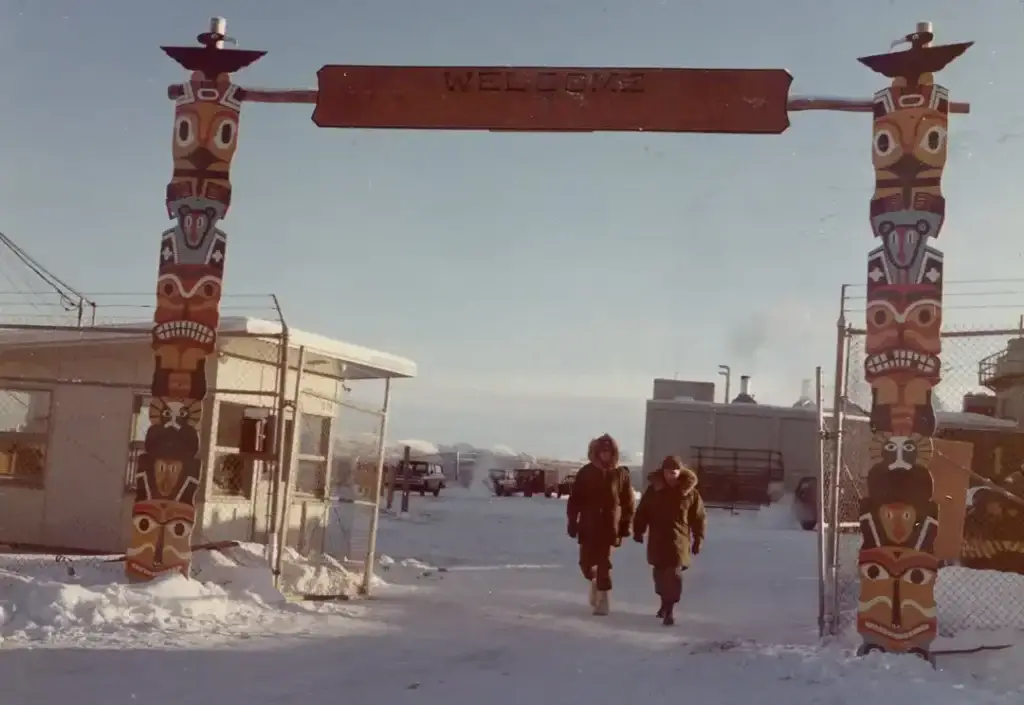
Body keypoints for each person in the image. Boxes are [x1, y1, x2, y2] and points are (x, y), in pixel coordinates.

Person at [632, 455, 707, 626]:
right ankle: (664, 603)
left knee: (673, 576)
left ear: (680, 472)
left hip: (678, 541)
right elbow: (643, 512)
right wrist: (638, 530)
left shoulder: (690, 494)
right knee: (659, 576)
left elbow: (699, 518)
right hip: (658, 540)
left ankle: (670, 610)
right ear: (663, 472)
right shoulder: (654, 490)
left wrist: (698, 539)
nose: (670, 476)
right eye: (667, 472)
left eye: (674, 472)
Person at [566, 433, 636, 616]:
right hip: (588, 526)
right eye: (602, 451)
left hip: (610, 527)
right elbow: (575, 500)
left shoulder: (621, 474)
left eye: (609, 451)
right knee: (586, 564)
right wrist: (572, 521)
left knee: (604, 562)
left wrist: (625, 524)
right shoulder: (586, 472)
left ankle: (603, 599)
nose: (605, 455)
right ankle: (595, 582)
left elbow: (628, 502)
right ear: (596, 452)